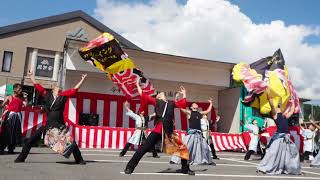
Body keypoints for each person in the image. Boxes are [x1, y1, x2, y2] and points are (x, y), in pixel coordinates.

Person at [124, 78, 194, 175]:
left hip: (169, 130)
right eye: (160, 93)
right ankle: (129, 167)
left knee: (183, 148)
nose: (161, 93)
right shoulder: (156, 101)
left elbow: (182, 103)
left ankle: (185, 168)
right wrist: (137, 84)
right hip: (158, 129)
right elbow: (142, 94)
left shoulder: (171, 103)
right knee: (143, 148)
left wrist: (184, 93)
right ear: (158, 97)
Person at [14, 71, 87, 164]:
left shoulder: (63, 96)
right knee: (31, 140)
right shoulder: (47, 95)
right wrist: (31, 77)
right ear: (53, 89)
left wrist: (82, 79)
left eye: (60, 87)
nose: (59, 87)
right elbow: (38, 87)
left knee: (70, 142)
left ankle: (79, 159)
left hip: (59, 124)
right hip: (47, 124)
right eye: (57, 86)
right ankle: (21, 158)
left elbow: (74, 90)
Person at [257, 88, 301, 175]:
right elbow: (272, 105)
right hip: (278, 138)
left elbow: (291, 111)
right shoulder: (275, 115)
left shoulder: (284, 116)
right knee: (273, 153)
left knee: (289, 154)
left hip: (286, 138)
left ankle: (291, 169)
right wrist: (269, 95)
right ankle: (264, 168)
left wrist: (292, 102)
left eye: (279, 106)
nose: (279, 107)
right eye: (278, 107)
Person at [170, 99, 215, 165]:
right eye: (194, 104)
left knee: (204, 148)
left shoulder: (200, 113)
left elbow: (208, 111)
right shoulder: (189, 112)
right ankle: (175, 160)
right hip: (191, 133)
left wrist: (211, 103)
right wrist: (176, 100)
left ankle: (208, 161)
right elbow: (180, 108)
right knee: (186, 147)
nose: (195, 104)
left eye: (196, 104)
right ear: (191, 107)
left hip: (199, 133)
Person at [0, 83, 27, 154]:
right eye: (19, 89)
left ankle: (11, 148)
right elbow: (2, 106)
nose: (21, 90)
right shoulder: (9, 97)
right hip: (10, 117)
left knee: (15, 133)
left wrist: (26, 98)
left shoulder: (21, 98)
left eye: (21, 89)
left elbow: (25, 106)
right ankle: (1, 148)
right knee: (6, 132)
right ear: (15, 89)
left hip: (17, 118)